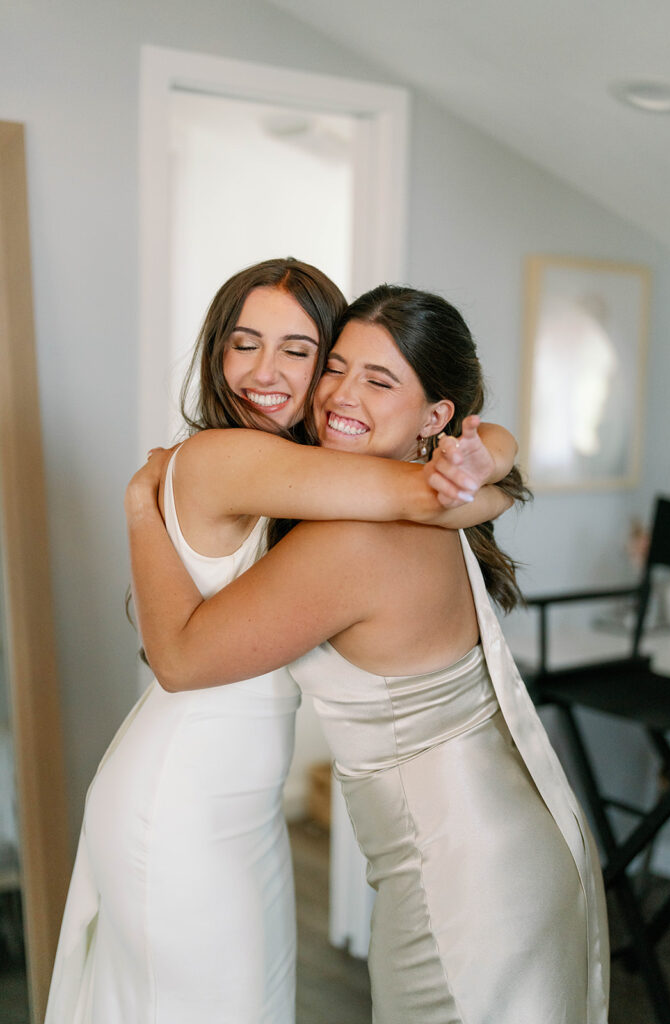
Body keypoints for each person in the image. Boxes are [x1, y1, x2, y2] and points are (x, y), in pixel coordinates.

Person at [46, 260, 516, 1024]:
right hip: (181, 801)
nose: (264, 372)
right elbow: (432, 495)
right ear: (215, 354)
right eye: (244, 343)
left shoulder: (307, 472)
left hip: (237, 803)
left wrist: (489, 456)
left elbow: (446, 488)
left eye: (299, 352)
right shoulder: (227, 456)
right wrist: (484, 470)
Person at [126, 284, 611, 1024]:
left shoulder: (355, 535)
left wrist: (138, 507)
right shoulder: (435, 492)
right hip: (510, 844)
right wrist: (493, 457)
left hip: (460, 880)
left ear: (435, 416)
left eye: (378, 380)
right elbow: (494, 470)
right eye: (336, 366)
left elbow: (182, 661)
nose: (339, 394)